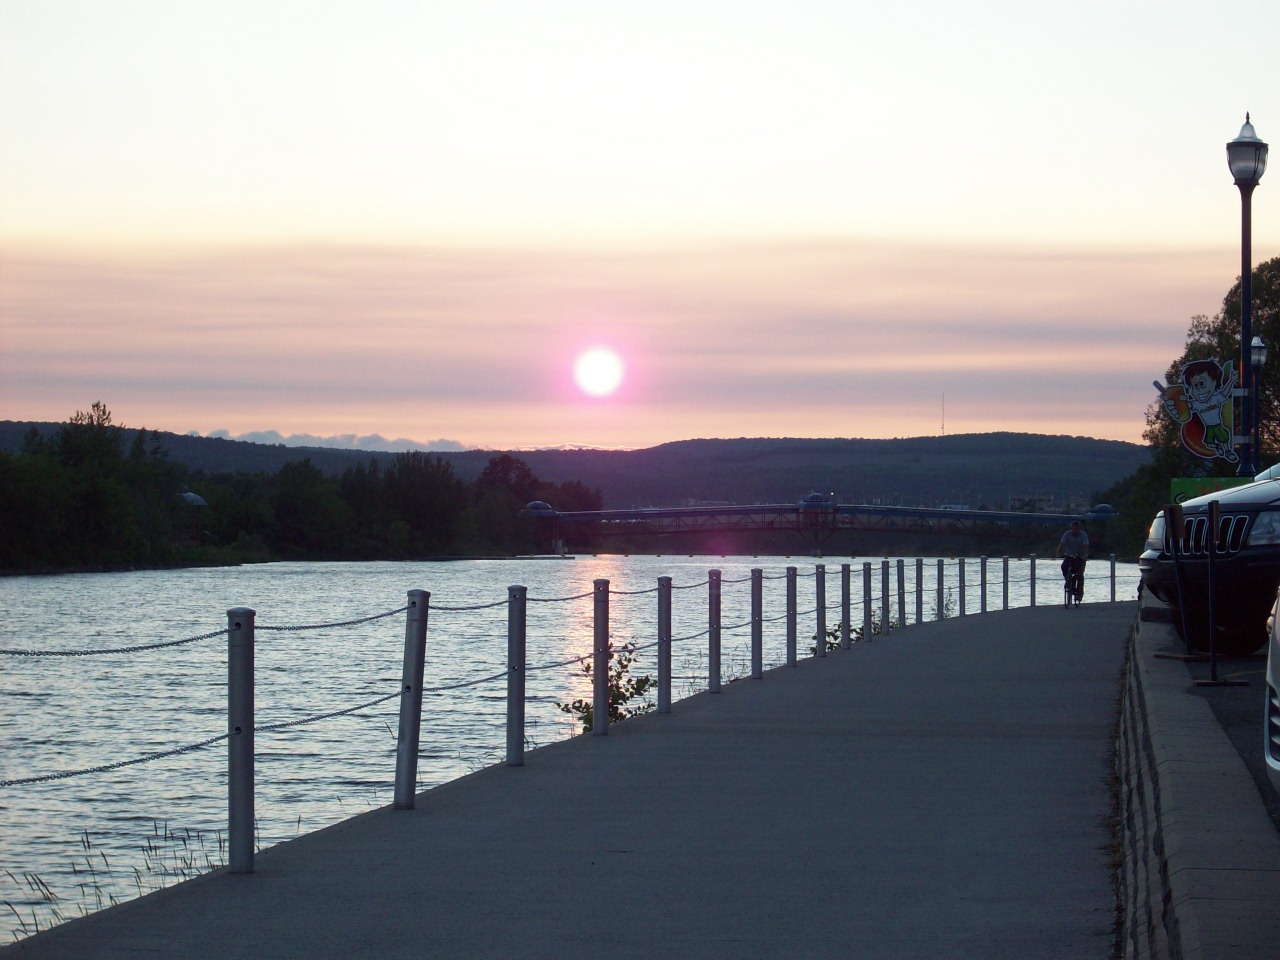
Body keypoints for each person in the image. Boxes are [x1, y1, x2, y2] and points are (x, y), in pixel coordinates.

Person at [1056, 520, 1090, 603]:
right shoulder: (1067, 534)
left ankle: (1079, 594)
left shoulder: (1083, 535)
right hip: (1069, 555)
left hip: (1080, 557)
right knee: (1064, 566)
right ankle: (1068, 580)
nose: (1075, 531)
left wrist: (1086, 554)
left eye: (1077, 529)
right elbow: (1062, 545)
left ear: (1079, 529)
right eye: (1074, 529)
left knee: (1080, 574)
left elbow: (1086, 546)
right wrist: (1058, 553)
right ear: (1071, 529)